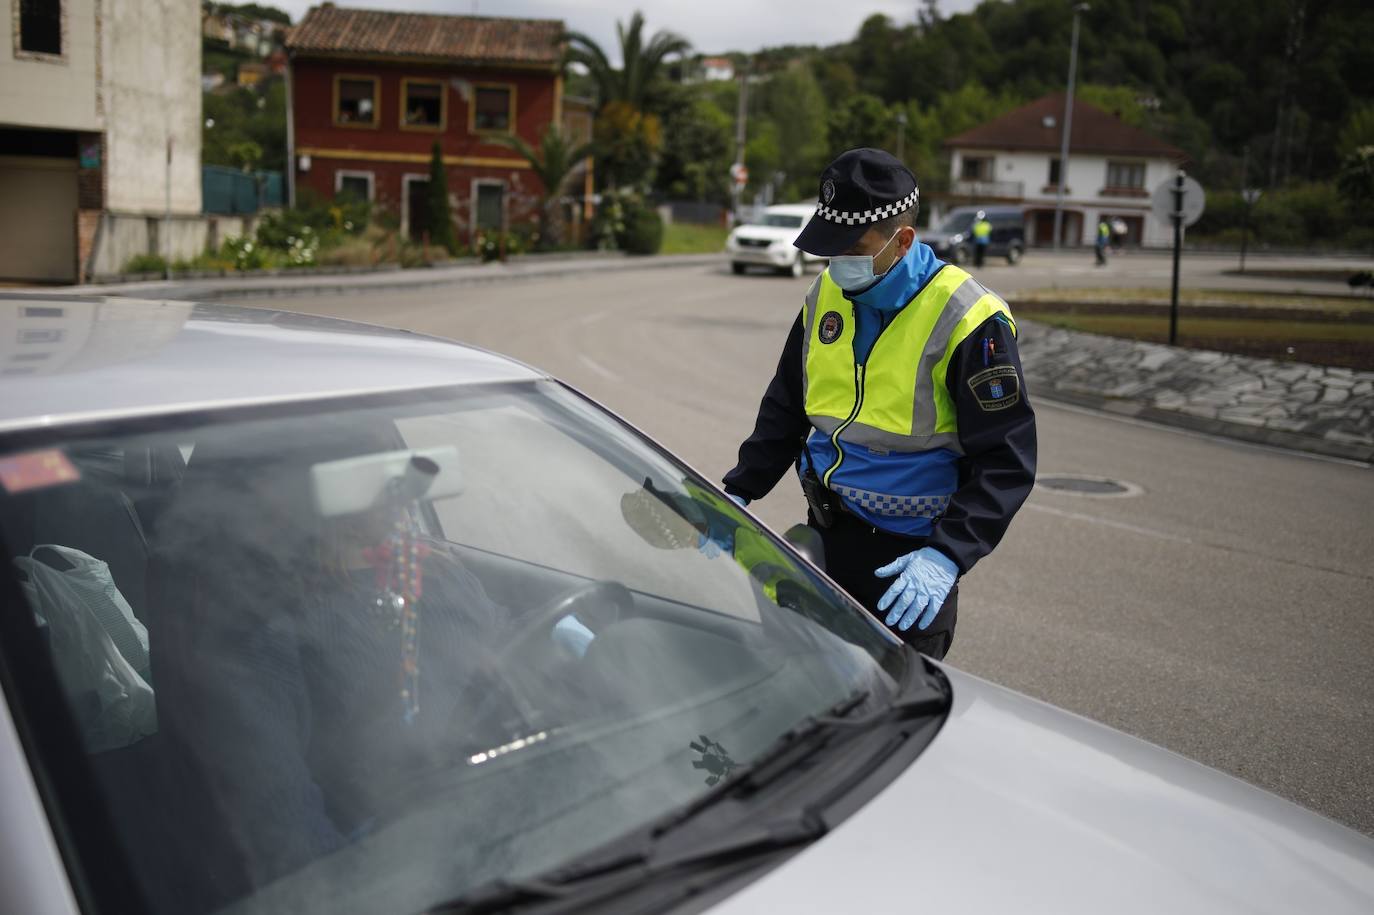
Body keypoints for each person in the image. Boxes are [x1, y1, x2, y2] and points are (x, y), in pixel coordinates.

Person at [721, 148, 1037, 660]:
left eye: (851, 247)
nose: (834, 262)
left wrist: (947, 555)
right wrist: (739, 490)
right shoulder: (825, 293)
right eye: (829, 247)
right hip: (826, 535)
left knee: (890, 711)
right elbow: (786, 405)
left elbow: (1007, 461)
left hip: (909, 566)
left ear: (902, 239)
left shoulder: (969, 319)